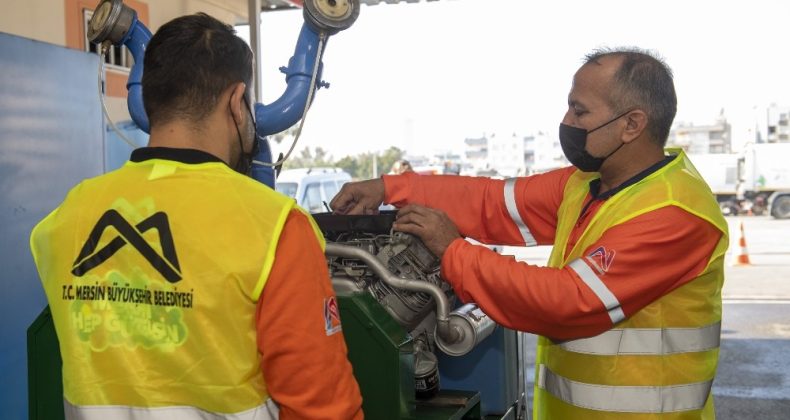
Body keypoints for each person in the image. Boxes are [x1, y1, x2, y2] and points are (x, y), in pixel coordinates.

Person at [331, 48, 728, 419]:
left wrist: (453, 251)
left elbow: (568, 301)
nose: (567, 122)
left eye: (579, 110)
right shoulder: (587, 184)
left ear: (632, 124)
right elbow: (489, 203)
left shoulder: (674, 212)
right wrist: (389, 189)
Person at [30, 13, 362, 420]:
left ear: (150, 101)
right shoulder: (275, 228)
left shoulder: (68, 217)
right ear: (237, 102)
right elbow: (322, 411)